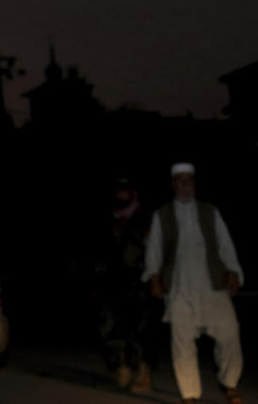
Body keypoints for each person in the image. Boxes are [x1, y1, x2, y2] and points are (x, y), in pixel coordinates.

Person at [143, 163, 245, 404]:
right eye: (180, 180)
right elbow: (154, 251)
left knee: (230, 334)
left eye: (189, 180)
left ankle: (229, 382)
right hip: (179, 290)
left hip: (213, 287)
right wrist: (153, 277)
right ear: (173, 184)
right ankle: (189, 394)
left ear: (195, 183)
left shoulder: (210, 211)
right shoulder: (162, 215)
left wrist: (233, 272)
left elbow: (226, 245)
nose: (185, 185)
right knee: (182, 343)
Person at [94, 176, 157, 393]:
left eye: (126, 190)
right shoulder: (107, 219)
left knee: (140, 332)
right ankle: (121, 369)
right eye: (118, 190)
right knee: (110, 328)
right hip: (111, 283)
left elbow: (155, 252)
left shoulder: (145, 219)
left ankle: (142, 373)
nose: (121, 194)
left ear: (134, 193)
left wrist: (154, 278)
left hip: (139, 283)